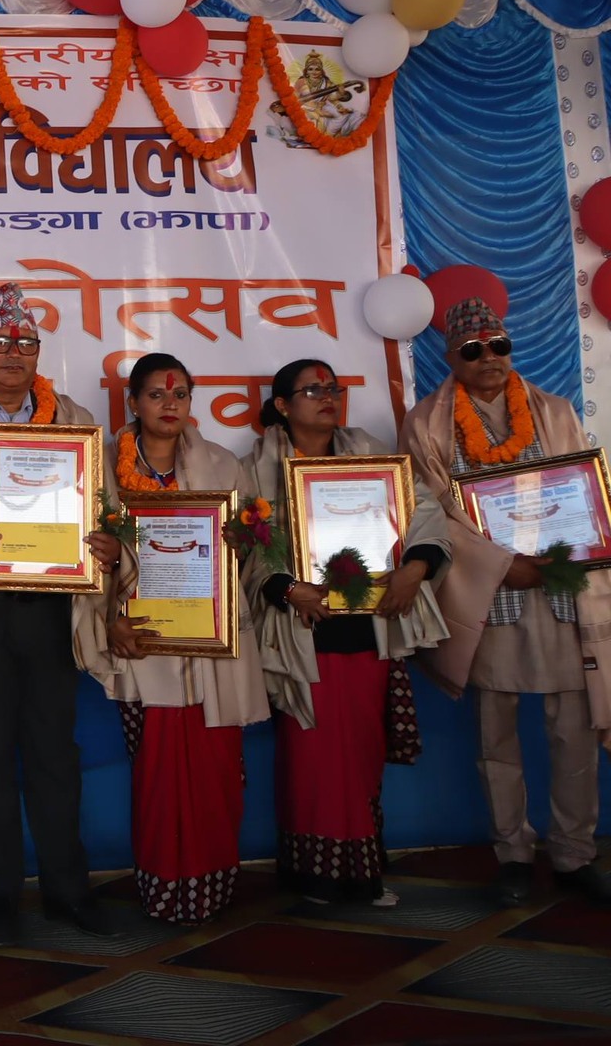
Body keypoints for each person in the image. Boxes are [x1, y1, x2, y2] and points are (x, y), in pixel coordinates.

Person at [0, 282, 119, 946]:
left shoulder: (74, 419)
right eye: (0, 342)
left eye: (25, 343)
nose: (13, 353)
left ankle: (69, 892)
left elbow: (107, 509)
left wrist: (107, 543)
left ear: (39, 352)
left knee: (54, 759)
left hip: (51, 612)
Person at [401, 299, 611, 905]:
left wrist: (571, 551)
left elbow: (583, 491)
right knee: (496, 738)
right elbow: (432, 511)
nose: (489, 359)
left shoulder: (554, 410)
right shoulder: (427, 423)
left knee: (574, 732)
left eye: (499, 346)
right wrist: (501, 566)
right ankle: (513, 854)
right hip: (491, 595)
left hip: (562, 589)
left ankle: (574, 853)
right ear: (451, 357)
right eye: (473, 350)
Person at [240, 359, 450, 908]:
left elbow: (423, 510)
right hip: (303, 631)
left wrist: (415, 567)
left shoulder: (369, 452)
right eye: (312, 390)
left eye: (332, 387)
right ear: (282, 405)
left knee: (359, 755)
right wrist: (289, 589)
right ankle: (313, 876)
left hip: (370, 626)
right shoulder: (255, 469)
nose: (327, 397)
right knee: (311, 760)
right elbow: (248, 549)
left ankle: (362, 873)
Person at [101, 352, 269, 924]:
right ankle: (164, 890)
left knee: (216, 772)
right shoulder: (103, 468)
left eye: (179, 395)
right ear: (133, 402)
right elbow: (84, 555)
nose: (169, 405)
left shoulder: (223, 465)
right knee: (157, 778)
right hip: (142, 644)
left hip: (212, 643)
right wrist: (107, 621)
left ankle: (212, 888)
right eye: (156, 395)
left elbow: (252, 553)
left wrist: (240, 547)